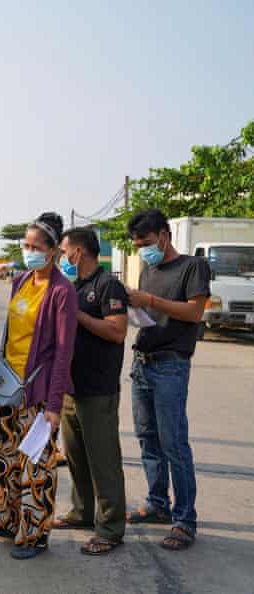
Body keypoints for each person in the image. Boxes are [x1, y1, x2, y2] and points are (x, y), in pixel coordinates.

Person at [0, 212, 78, 560]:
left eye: (36, 247)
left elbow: (64, 352)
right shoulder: (21, 280)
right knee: (7, 459)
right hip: (10, 388)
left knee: (36, 466)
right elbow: (8, 336)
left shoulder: (62, 291)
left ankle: (34, 535)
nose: (29, 251)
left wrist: (54, 405)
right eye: (26, 245)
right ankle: (8, 521)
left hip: (38, 393)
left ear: (53, 252)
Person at [125, 208, 209, 552]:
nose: (143, 249)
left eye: (146, 242)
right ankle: (157, 501)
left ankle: (184, 519)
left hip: (171, 366)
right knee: (148, 440)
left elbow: (194, 311)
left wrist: (150, 300)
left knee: (174, 442)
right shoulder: (149, 269)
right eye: (138, 245)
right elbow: (151, 315)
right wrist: (135, 309)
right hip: (143, 362)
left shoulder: (193, 267)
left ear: (164, 235)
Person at [50, 228, 128, 555]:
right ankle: (82, 512)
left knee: (103, 461)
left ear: (79, 252)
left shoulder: (107, 285)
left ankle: (110, 527)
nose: (62, 258)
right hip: (71, 388)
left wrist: (77, 315)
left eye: (64, 251)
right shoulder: (72, 286)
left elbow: (117, 330)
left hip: (98, 389)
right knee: (77, 458)